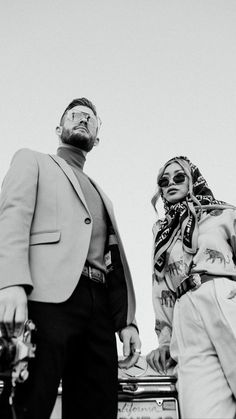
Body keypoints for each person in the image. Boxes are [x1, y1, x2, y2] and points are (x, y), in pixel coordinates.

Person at [0, 97, 141, 419]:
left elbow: (113, 258)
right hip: (46, 298)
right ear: (59, 127)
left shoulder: (103, 194)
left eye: (91, 118)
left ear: (97, 138)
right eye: (75, 115)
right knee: (29, 401)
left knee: (97, 406)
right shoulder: (31, 160)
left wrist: (127, 322)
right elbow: (12, 217)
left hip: (100, 310)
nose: (83, 119)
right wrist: (9, 282)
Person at [146, 156, 236, 419]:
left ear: (193, 180)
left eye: (179, 177)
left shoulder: (224, 214)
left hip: (222, 292)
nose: (170, 183)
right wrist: (164, 340)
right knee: (201, 410)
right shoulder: (161, 233)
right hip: (184, 314)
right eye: (164, 181)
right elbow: (160, 286)